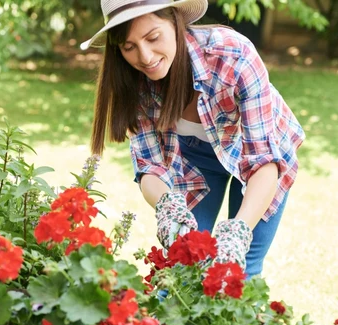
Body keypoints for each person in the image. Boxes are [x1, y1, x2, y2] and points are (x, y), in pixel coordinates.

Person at [81, 0, 305, 277]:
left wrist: (238, 232)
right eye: (129, 47)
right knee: (183, 267)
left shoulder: (233, 54)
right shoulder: (133, 80)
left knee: (241, 270)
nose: (146, 56)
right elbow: (150, 166)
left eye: (153, 37)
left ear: (175, 21)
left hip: (259, 155)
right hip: (194, 160)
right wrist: (167, 205)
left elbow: (263, 161)